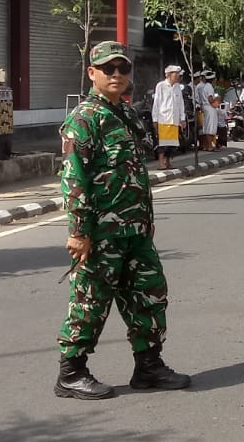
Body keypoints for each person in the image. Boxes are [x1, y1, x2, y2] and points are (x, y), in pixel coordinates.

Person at [56, 41, 190, 399]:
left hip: (135, 230)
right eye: (108, 69)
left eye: (123, 69)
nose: (117, 75)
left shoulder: (127, 115)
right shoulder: (84, 119)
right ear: (92, 73)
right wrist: (78, 231)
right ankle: (71, 372)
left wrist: (146, 219)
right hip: (100, 232)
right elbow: (73, 178)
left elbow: (134, 175)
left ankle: (148, 366)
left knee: (149, 294)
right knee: (90, 300)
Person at [151, 64, 185, 171]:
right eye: (176, 74)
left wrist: (182, 118)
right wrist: (155, 119)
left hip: (174, 120)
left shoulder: (178, 87)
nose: (178, 76)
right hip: (163, 119)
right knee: (162, 144)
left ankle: (168, 163)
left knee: (172, 144)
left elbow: (181, 104)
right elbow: (156, 103)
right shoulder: (161, 86)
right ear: (169, 75)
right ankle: (161, 163)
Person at [193, 70, 218, 151]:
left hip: (205, 107)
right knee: (210, 127)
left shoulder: (205, 86)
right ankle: (210, 146)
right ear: (213, 80)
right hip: (209, 107)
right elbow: (210, 99)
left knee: (207, 127)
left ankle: (207, 146)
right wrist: (217, 100)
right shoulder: (209, 87)